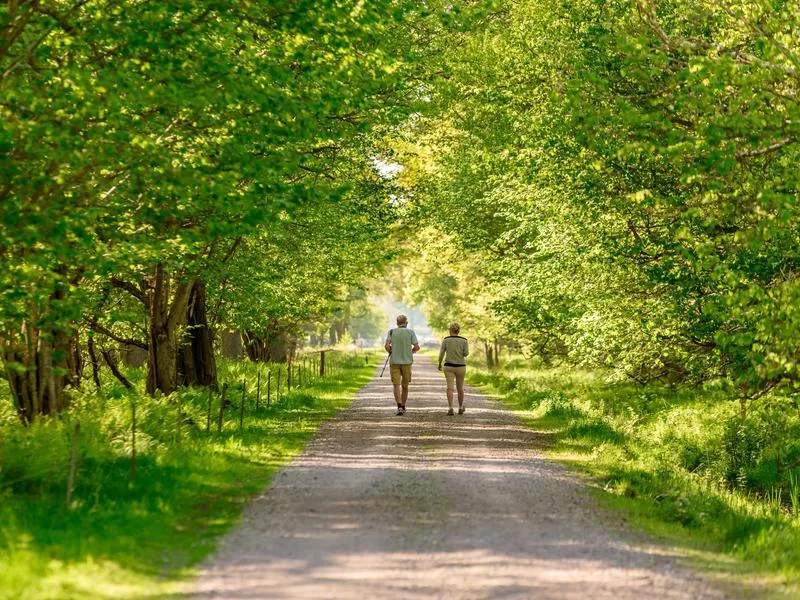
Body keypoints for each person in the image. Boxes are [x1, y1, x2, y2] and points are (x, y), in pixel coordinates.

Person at [384, 314, 420, 416]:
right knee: (405, 386)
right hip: (407, 362)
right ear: (406, 323)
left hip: (394, 361)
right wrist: (411, 352)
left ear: (397, 323)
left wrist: (391, 351)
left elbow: (386, 346)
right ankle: (403, 406)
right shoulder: (410, 332)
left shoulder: (391, 332)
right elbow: (417, 347)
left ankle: (399, 406)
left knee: (396, 385)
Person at [438, 322, 469, 415]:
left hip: (448, 366)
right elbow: (466, 353)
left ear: (450, 330)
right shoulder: (464, 340)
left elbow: (441, 353)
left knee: (450, 388)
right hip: (460, 367)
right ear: (458, 330)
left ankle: (450, 408)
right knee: (460, 388)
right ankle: (460, 407)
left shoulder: (446, 340)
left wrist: (439, 363)